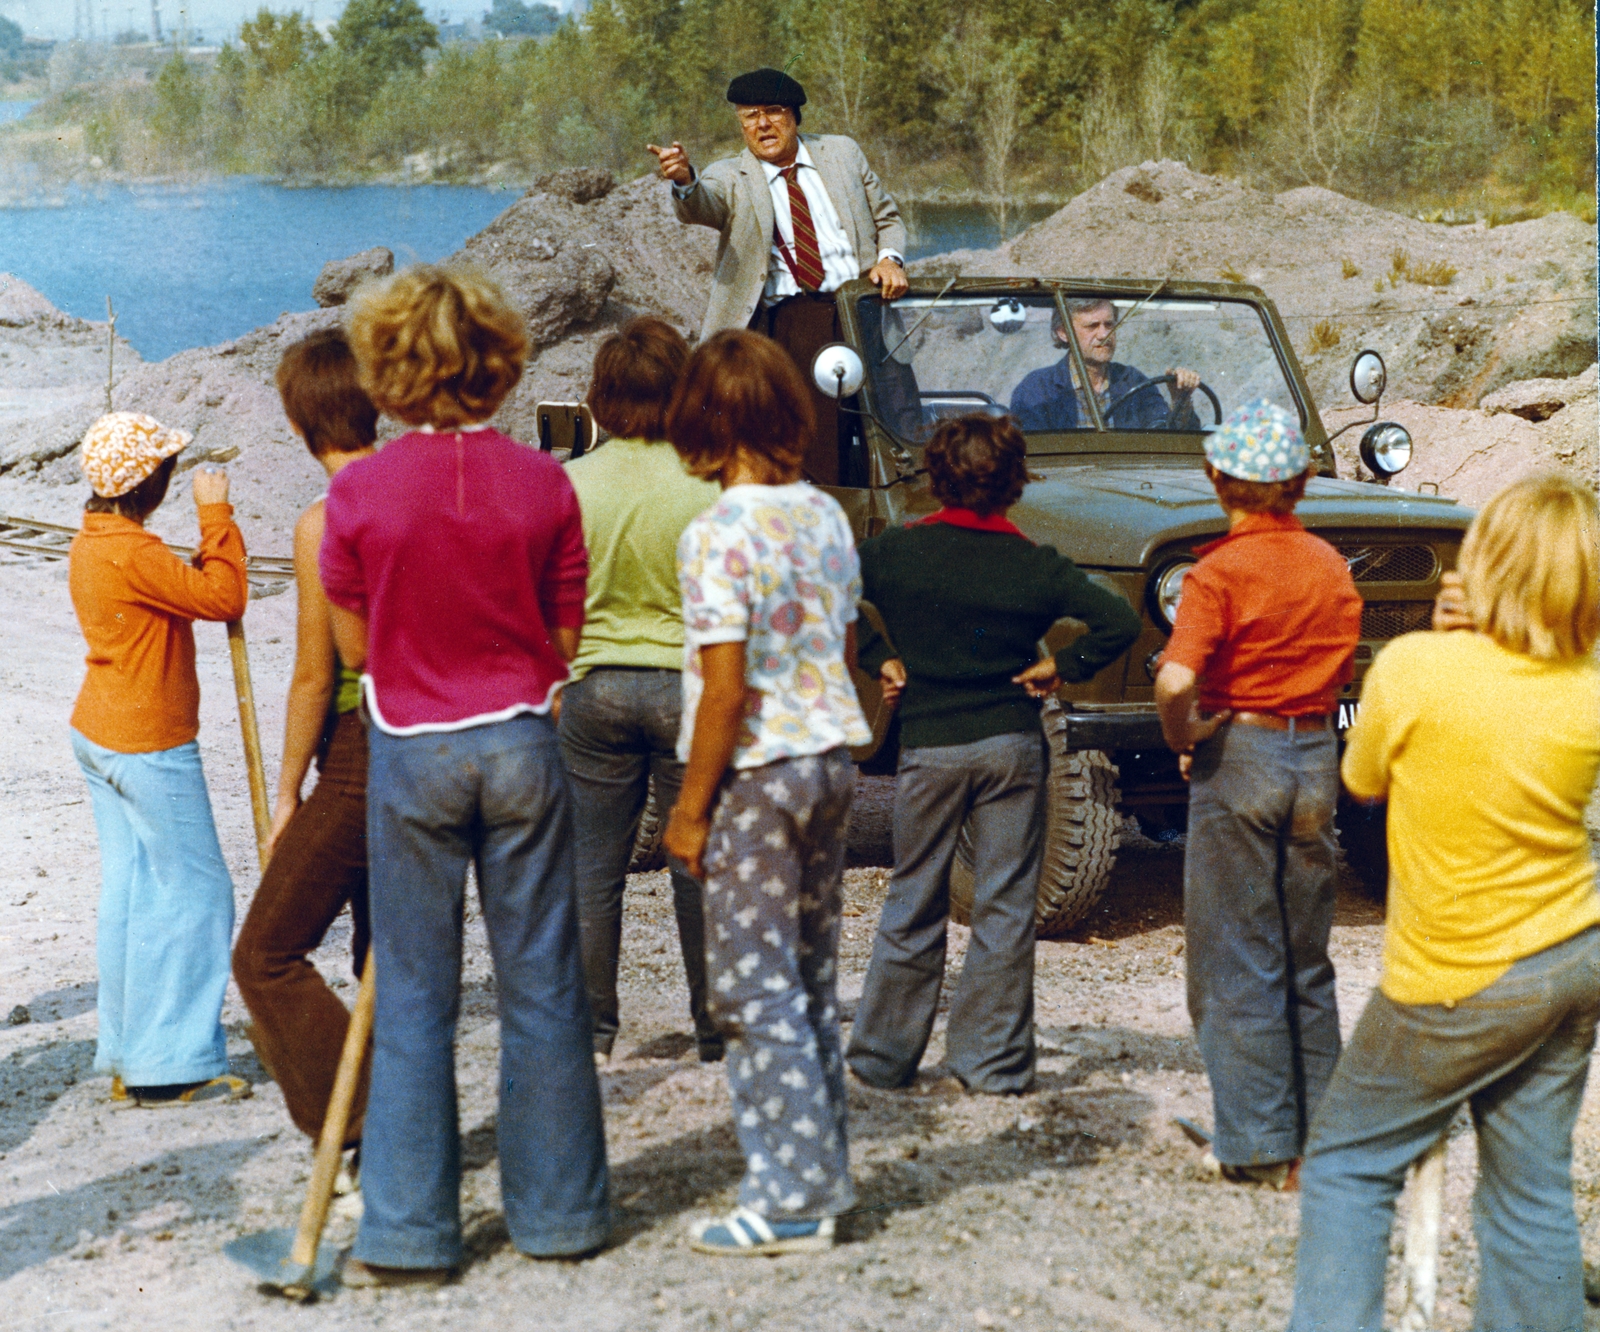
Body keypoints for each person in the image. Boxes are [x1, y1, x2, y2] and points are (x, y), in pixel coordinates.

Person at [320, 264, 610, 1285]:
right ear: (497, 364)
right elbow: (566, 628)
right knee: (542, 985)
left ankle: (406, 1235)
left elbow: (354, 645)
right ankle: (562, 1214)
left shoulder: (358, 489)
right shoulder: (545, 482)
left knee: (412, 994)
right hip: (524, 740)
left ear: (388, 373)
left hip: (414, 745)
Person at [1289, 473, 1600, 1332]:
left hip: (1455, 975)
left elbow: (1359, 779)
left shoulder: (1416, 667)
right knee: (1531, 1190)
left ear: (1484, 563)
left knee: (1350, 1161)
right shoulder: (1587, 690)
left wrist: (1441, 642)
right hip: (1572, 955)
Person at [845, 414, 1141, 1094]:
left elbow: (832, 591)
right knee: (1005, 907)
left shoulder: (895, 553)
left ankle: (883, 1059)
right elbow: (1117, 621)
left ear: (936, 477)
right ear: (1015, 483)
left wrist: (880, 657)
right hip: (1013, 745)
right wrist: (1060, 666)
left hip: (930, 748)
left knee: (914, 895)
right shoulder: (1033, 563)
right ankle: (991, 1064)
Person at [661, 329, 872, 1256]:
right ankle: (823, 1171)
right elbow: (847, 648)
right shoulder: (826, 515)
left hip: (758, 771)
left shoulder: (716, 534)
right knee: (810, 977)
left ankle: (789, 1193)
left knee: (752, 990)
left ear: (702, 423)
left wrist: (690, 805)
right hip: (831, 756)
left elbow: (725, 687)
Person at [1154, 400, 1361, 1188]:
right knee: (1306, 957)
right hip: (1313, 751)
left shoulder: (1218, 571)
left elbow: (1177, 678)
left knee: (1235, 959)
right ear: (1301, 481)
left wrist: (1186, 734)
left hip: (1240, 751)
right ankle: (1322, 1146)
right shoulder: (1328, 564)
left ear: (1219, 480)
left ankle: (1255, 1144)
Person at [68, 412, 251, 1108]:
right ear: (151, 485)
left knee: (134, 891)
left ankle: (125, 1049)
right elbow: (223, 595)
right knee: (199, 895)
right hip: (148, 741)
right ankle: (170, 1063)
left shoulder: (95, 540)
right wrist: (216, 518)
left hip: (98, 729)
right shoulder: (134, 553)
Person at [559, 316, 723, 1067]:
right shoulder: (711, 485)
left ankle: (592, 1032)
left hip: (592, 687)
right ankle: (716, 1027)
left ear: (600, 395)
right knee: (696, 859)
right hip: (688, 687)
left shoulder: (568, 484)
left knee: (593, 868)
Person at [232, 329, 377, 1152]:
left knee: (267, 954)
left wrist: (288, 794)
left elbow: (315, 677)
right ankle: (401, 1132)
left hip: (362, 748)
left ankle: (356, 1123)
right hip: (440, 740)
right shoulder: (421, 494)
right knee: (384, 954)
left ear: (296, 424)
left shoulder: (325, 521)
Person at [648, 66, 909, 485]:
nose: (762, 124)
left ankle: (911, 522)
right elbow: (704, 203)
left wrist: (889, 259)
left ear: (795, 116)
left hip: (867, 308)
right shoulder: (729, 175)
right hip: (795, 322)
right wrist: (684, 180)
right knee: (818, 449)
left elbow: (888, 218)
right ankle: (827, 527)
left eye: (773, 111)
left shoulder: (841, 153)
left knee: (900, 426)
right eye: (750, 116)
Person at [1009, 298, 1201, 433]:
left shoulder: (1133, 381)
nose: (1104, 335)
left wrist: (1180, 400)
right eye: (1092, 326)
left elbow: (1165, 439)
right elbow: (1033, 461)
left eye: (1109, 325)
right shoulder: (1037, 389)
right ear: (1063, 333)